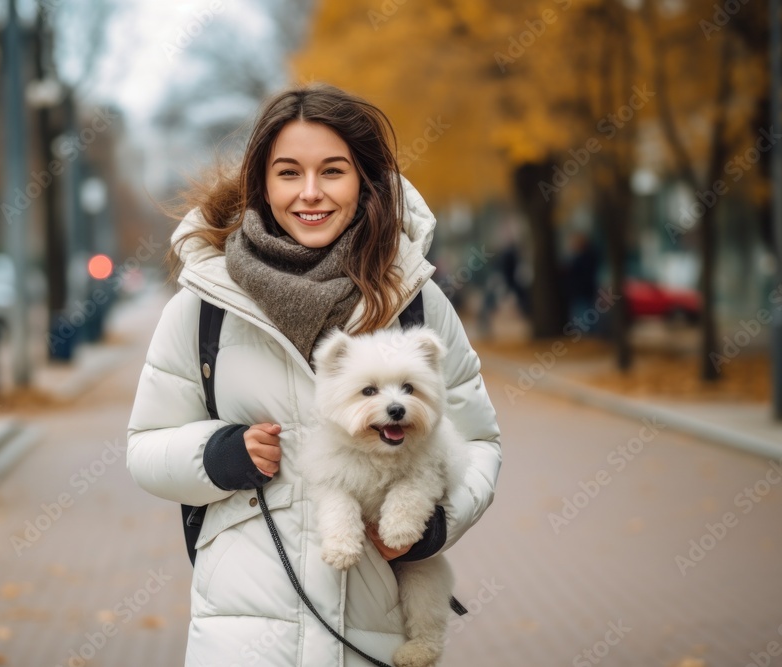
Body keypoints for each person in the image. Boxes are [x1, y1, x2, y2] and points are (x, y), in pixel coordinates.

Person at [126, 82, 503, 667]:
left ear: (364, 181)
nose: (310, 193)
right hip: (245, 632)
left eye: (332, 171)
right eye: (287, 172)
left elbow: (478, 442)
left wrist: (434, 525)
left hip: (373, 629)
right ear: (262, 184)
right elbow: (145, 447)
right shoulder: (201, 304)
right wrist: (218, 455)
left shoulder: (419, 301)